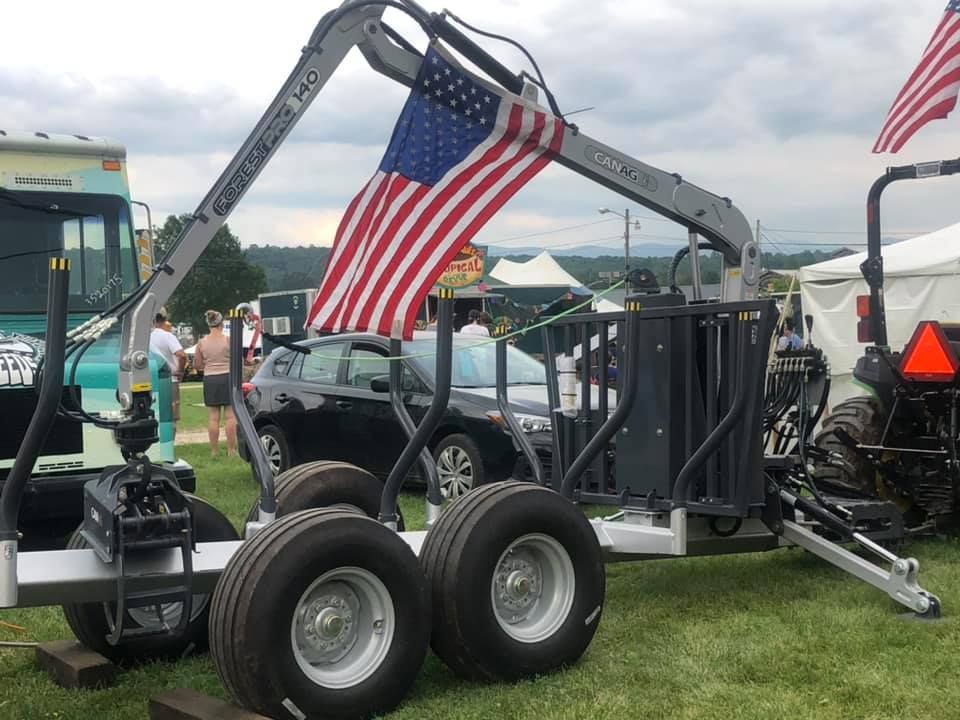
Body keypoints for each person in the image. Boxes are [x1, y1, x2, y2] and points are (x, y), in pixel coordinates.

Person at [194, 309, 237, 457]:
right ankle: (231, 450)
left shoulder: (202, 342)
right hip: (227, 376)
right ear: (221, 323)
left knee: (213, 417)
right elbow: (237, 359)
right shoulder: (228, 339)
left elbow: (198, 365)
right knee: (230, 416)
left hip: (210, 379)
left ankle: (214, 450)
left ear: (209, 324)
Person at [149, 310, 186, 421]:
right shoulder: (167, 336)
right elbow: (182, 355)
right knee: (171, 416)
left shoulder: (146, 337)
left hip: (151, 380)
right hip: (170, 379)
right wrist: (180, 371)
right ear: (165, 320)